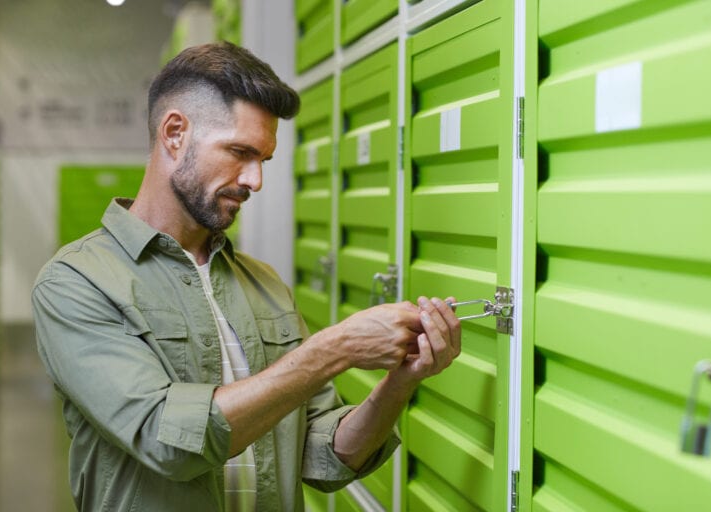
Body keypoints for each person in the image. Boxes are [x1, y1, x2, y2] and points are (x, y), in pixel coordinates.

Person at [31, 41, 460, 512]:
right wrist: (334, 348)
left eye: (264, 160)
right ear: (175, 133)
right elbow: (166, 440)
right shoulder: (76, 282)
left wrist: (400, 381)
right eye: (240, 152)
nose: (255, 180)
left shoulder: (264, 284)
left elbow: (324, 457)